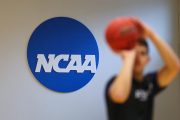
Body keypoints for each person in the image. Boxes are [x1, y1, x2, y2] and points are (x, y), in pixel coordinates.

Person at [105, 18, 180, 120]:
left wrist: (152, 34)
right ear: (126, 56)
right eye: (135, 53)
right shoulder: (114, 82)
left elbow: (174, 67)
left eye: (142, 53)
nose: (138, 57)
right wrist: (129, 57)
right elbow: (119, 95)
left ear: (148, 60)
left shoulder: (149, 83)